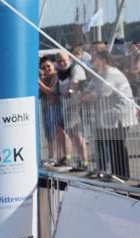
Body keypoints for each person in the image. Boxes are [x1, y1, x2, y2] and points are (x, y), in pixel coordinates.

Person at [80, 51, 138, 180]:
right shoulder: (100, 74)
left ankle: (122, 175)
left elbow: (103, 92)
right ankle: (115, 173)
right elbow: (90, 88)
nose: (91, 61)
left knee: (117, 144)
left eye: (94, 58)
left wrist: (85, 97)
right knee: (113, 144)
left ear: (103, 60)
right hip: (109, 116)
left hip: (120, 115)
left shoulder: (111, 73)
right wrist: (84, 94)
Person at [55, 52, 89, 172]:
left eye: (63, 60)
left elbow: (76, 83)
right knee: (70, 133)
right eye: (59, 61)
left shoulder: (76, 68)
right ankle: (71, 159)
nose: (61, 63)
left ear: (69, 58)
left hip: (77, 106)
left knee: (73, 133)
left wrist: (70, 91)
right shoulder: (60, 73)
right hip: (68, 107)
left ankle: (82, 162)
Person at [38, 57, 66, 168]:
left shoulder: (57, 76)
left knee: (59, 133)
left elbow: (51, 91)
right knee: (49, 134)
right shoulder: (45, 78)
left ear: (53, 65)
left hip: (58, 107)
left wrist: (39, 82)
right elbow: (41, 93)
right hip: (48, 109)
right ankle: (52, 157)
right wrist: (41, 79)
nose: (47, 69)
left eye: (48, 66)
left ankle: (64, 157)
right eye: (44, 67)